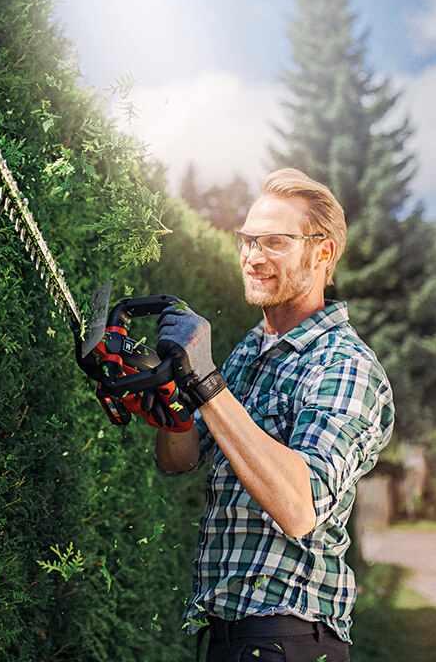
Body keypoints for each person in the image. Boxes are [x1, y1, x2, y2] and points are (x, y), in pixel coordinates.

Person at [155, 168, 394, 662]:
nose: (252, 257)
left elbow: (299, 507)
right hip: (225, 636)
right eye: (247, 240)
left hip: (290, 638)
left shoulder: (345, 365)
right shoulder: (250, 351)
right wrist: (164, 399)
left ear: (322, 253)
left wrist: (205, 381)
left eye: (274, 242)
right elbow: (184, 457)